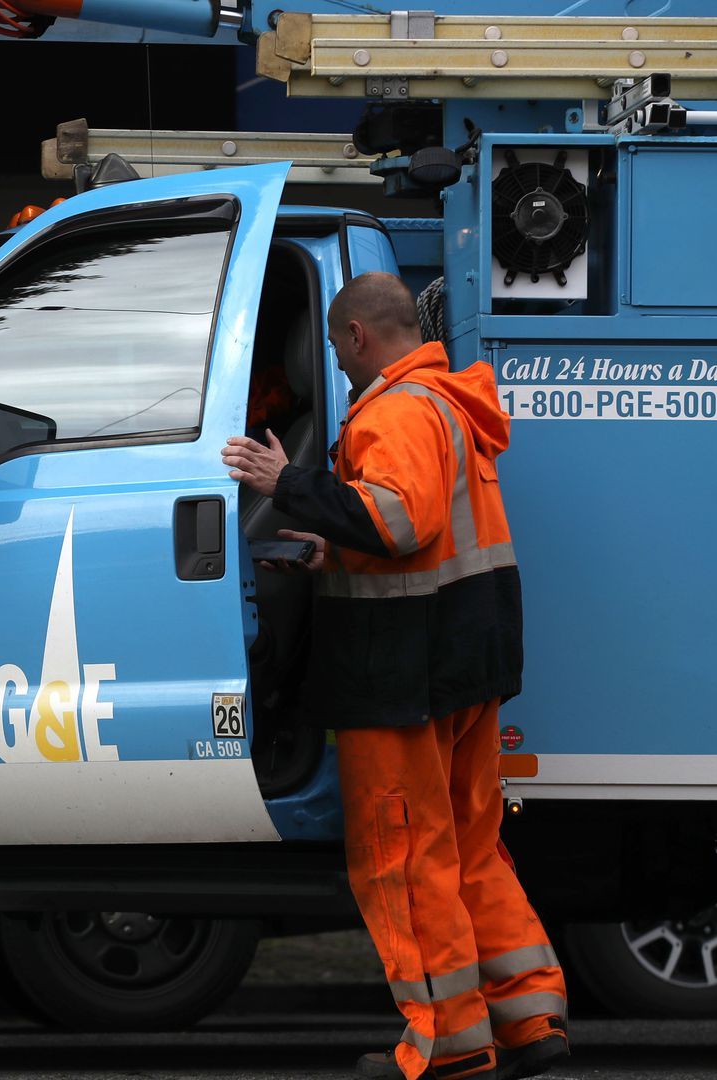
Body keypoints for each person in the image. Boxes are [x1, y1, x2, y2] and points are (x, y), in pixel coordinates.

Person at [221, 273, 569, 1080]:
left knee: (406, 857)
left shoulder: (396, 411)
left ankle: (448, 1046)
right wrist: (329, 547)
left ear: (354, 339)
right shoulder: (447, 402)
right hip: (461, 664)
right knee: (470, 849)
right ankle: (528, 1015)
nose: (336, 370)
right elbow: (420, 532)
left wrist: (289, 486)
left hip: (402, 671)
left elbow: (400, 521)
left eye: (337, 353)